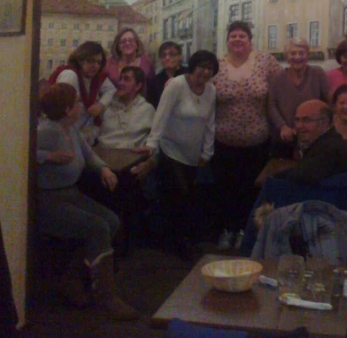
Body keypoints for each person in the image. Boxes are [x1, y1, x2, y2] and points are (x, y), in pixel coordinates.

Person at [36, 83, 138, 320]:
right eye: (77, 102)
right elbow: (22, 150)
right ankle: (107, 296)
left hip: (70, 193)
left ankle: (71, 278)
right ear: (67, 109)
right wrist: (48, 156)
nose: (82, 105)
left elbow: (88, 153)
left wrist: (103, 168)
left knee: (112, 221)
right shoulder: (47, 131)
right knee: (98, 227)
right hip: (49, 199)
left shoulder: (70, 128)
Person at [137, 50, 219, 261]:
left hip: (193, 154)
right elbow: (161, 115)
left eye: (210, 68)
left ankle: (179, 239)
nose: (205, 71)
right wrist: (152, 144)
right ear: (192, 66)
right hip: (171, 150)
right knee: (180, 196)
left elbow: (210, 122)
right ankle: (179, 244)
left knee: (187, 197)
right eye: (201, 66)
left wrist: (207, 151)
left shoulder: (211, 90)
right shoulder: (176, 85)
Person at [210, 20, 283, 251]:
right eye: (233, 36)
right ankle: (227, 230)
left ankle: (246, 232)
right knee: (225, 190)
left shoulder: (264, 61)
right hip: (224, 142)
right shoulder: (217, 66)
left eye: (242, 36)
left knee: (252, 191)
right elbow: (198, 88)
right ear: (227, 40)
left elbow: (284, 84)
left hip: (258, 142)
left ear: (250, 40)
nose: (238, 39)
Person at [270, 100, 347, 185]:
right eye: (297, 120)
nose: (299, 126)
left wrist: (274, 179)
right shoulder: (325, 140)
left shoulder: (329, 147)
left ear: (324, 123)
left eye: (306, 120)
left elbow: (305, 177)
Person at [268, 38, 329, 156]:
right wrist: (283, 126)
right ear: (286, 57)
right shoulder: (278, 76)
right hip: (285, 138)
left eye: (301, 53)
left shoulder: (318, 73)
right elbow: (271, 105)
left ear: (307, 55)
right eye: (293, 53)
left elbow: (327, 102)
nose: (297, 57)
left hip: (313, 138)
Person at [49, 41, 116, 136]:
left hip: (82, 130)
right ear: (80, 60)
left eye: (99, 62)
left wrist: (100, 105)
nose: (96, 66)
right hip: (65, 132)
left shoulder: (96, 76)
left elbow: (111, 90)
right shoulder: (70, 75)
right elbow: (65, 113)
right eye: (91, 61)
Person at [97, 66, 155, 150]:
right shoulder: (107, 106)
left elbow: (154, 140)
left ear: (138, 86)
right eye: (120, 79)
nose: (120, 83)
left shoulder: (147, 110)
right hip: (103, 152)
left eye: (126, 79)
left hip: (133, 155)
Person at [145, 41, 187, 109]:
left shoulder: (189, 74)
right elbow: (152, 105)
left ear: (180, 56)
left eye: (171, 54)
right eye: (163, 55)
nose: (167, 58)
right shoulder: (155, 81)